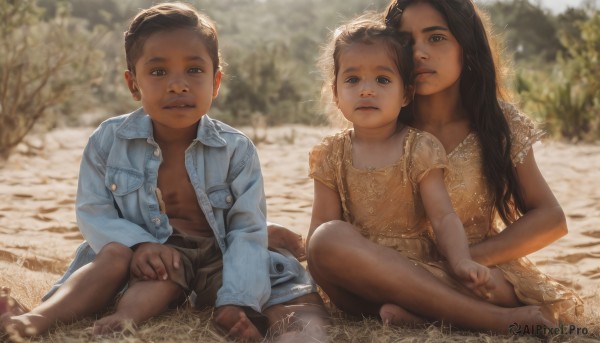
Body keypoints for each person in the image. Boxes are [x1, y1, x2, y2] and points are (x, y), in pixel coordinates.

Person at [0, 3, 324, 341]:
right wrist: (140, 243)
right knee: (119, 258)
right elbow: (93, 212)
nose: (178, 85)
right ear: (133, 84)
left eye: (194, 71)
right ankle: (40, 320)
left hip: (222, 255)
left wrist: (237, 300)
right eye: (158, 72)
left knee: (286, 286)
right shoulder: (108, 141)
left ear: (215, 82)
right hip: (151, 261)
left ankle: (266, 326)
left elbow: (245, 228)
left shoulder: (235, 149)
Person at [306, 1, 583, 334]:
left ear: (465, 46)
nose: (420, 53)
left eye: (435, 38)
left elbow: (551, 219)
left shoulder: (498, 124)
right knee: (327, 241)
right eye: (407, 42)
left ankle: (428, 309)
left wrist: (464, 260)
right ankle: (487, 320)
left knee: (492, 284)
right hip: (382, 272)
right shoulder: (378, 126)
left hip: (473, 272)